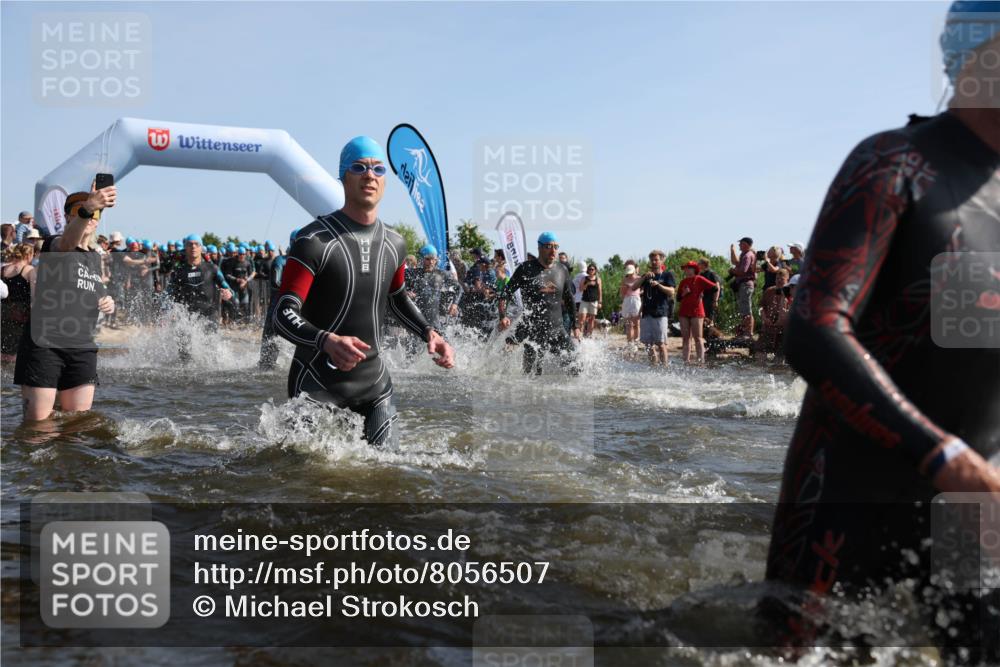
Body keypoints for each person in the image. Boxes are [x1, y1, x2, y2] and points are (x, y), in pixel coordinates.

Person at [766, 4, 1000, 659]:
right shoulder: (894, 164)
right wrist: (946, 459)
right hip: (847, 505)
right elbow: (814, 328)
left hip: (977, 513)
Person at [272, 136, 454, 448]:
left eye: (378, 169)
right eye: (359, 167)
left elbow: (397, 298)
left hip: (374, 385)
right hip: (316, 383)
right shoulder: (313, 240)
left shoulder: (395, 243)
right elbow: (283, 313)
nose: (370, 175)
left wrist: (429, 332)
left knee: (387, 470)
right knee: (306, 474)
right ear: (343, 177)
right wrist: (326, 341)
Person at [13, 186, 117, 421]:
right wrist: (88, 208)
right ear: (70, 217)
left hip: (82, 347)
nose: (88, 216)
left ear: (98, 221)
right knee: (38, 427)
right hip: (45, 345)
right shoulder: (54, 243)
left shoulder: (94, 257)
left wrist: (107, 300)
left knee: (76, 425)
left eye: (94, 212)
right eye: (80, 210)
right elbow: (68, 244)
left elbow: (95, 289)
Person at [497, 232, 580, 375]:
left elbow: (569, 299)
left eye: (556, 247)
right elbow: (505, 294)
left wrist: (575, 326)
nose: (553, 250)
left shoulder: (562, 270)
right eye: (548, 246)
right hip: (531, 329)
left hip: (557, 329)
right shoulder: (526, 269)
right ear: (539, 247)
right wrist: (503, 316)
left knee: (576, 367)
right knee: (529, 374)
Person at [406, 244, 463, 332]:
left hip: (434, 321)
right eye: (428, 259)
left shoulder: (441, 274)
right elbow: (397, 287)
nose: (431, 262)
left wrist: (454, 304)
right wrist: (406, 293)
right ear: (421, 259)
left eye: (433, 259)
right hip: (416, 320)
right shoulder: (411, 274)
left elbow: (459, 288)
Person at [258, 232, 293, 370]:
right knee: (270, 337)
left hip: (292, 307)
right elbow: (275, 283)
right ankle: (265, 365)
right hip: (276, 305)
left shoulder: (304, 261)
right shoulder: (280, 261)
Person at [638, 250, 675, 367]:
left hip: (660, 312)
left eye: (656, 260)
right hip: (646, 313)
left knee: (661, 343)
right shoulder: (647, 275)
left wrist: (659, 285)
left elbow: (672, 292)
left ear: (662, 260)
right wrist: (644, 277)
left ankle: (664, 367)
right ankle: (653, 367)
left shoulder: (667, 275)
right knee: (648, 344)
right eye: (652, 260)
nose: (654, 262)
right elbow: (634, 287)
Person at [676, 261, 717, 364]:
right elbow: (678, 298)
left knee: (698, 338)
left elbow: (715, 288)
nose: (686, 270)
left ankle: (700, 361)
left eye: (688, 268)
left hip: (697, 311)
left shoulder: (700, 279)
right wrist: (684, 293)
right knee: (686, 338)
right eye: (685, 268)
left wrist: (702, 294)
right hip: (684, 311)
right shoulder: (683, 281)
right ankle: (686, 362)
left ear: (694, 269)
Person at [1, 243, 35, 362]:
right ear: (29, 255)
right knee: (16, 352)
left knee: (3, 345)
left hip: (3, 310)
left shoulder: (3, 269)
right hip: (21, 313)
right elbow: (35, 295)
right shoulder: (29, 270)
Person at [758, 268, 790, 359]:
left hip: (783, 330)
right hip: (768, 326)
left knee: (780, 358)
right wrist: (764, 318)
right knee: (760, 354)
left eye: (782, 279)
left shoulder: (791, 292)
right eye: (777, 279)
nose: (779, 281)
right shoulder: (769, 290)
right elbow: (761, 307)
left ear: (787, 280)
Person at [728, 236, 756, 338]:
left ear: (746, 244)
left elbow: (743, 271)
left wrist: (733, 271)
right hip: (745, 285)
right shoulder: (745, 254)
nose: (739, 245)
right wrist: (732, 251)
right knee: (744, 309)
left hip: (745, 284)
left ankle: (748, 333)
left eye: (741, 243)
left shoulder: (747, 255)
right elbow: (735, 262)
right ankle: (745, 332)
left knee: (746, 310)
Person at [619, 260, 643, 345]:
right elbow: (622, 294)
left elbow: (643, 290)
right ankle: (630, 343)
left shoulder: (639, 278)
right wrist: (625, 288)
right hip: (627, 300)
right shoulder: (624, 279)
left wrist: (637, 292)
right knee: (629, 324)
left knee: (637, 323)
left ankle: (636, 342)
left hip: (636, 300)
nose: (629, 274)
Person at [576, 263, 602, 337]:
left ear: (595, 270)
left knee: (592, 319)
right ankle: (581, 334)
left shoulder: (598, 279)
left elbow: (600, 291)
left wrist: (600, 302)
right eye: (589, 269)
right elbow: (580, 289)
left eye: (592, 269)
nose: (591, 271)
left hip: (594, 301)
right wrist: (587, 284)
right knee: (582, 319)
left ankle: (589, 335)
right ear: (588, 270)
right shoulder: (584, 278)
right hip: (585, 300)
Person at [696, 257, 721, 328]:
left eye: (699, 263)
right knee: (704, 317)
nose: (697, 264)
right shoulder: (701, 274)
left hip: (710, 299)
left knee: (710, 318)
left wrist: (715, 300)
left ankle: (711, 332)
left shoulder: (711, 273)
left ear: (704, 264)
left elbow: (717, 287)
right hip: (703, 299)